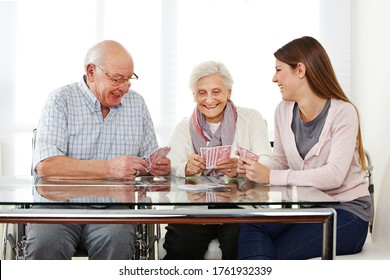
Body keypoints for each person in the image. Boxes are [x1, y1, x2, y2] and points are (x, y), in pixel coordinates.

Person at [26, 40, 171, 260]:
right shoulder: (61, 100)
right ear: (91, 72)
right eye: (116, 78)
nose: (123, 87)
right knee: (45, 244)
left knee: (118, 242)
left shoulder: (137, 104)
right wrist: (110, 168)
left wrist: (156, 167)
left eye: (129, 79)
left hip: (112, 209)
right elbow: (47, 166)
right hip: (58, 208)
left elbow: (147, 160)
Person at [237, 36, 371, 259]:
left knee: (275, 255)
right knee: (251, 224)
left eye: (279, 70)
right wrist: (252, 167)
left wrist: (271, 177)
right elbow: (279, 161)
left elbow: (334, 176)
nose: (274, 78)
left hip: (348, 214)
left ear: (300, 70)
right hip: (312, 210)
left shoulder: (344, 113)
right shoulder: (283, 110)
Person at [163, 61, 272, 259]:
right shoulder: (184, 126)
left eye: (216, 91)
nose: (209, 99)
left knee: (239, 244)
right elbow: (170, 165)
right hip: (195, 208)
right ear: (194, 96)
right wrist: (186, 168)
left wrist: (241, 167)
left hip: (240, 206)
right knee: (180, 247)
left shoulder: (250, 118)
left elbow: (267, 161)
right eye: (202, 93)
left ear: (229, 93)